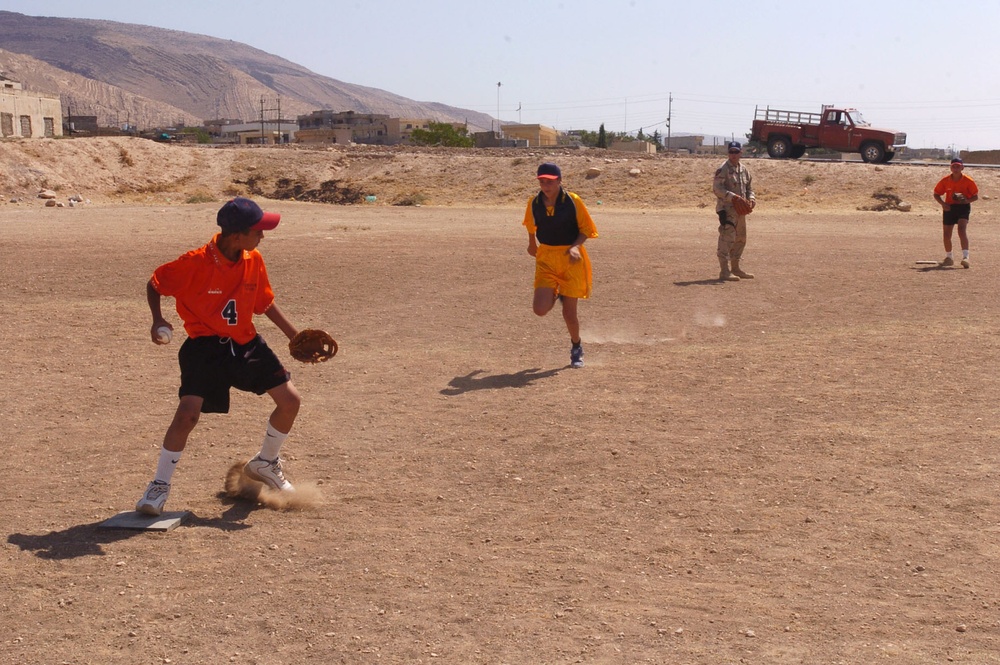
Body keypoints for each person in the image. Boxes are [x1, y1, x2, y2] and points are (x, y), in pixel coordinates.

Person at [135, 197, 303, 516]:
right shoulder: (194, 263)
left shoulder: (253, 259)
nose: (262, 236)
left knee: (290, 401)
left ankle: (265, 463)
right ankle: (158, 486)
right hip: (204, 347)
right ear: (236, 235)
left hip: (245, 344)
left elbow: (263, 303)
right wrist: (157, 319)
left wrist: (293, 334)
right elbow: (155, 284)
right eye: (257, 231)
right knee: (187, 414)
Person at [523, 162, 599, 368]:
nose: (545, 185)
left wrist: (575, 247)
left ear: (559, 181)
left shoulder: (573, 201)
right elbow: (531, 224)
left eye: (550, 181)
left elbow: (586, 229)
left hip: (570, 259)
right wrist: (532, 244)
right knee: (539, 309)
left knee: (569, 313)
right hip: (546, 257)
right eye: (542, 181)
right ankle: (554, 292)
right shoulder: (534, 202)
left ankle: (576, 347)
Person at [713, 141, 756, 281]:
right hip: (727, 210)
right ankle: (724, 271)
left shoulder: (744, 170)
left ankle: (736, 268)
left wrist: (751, 198)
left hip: (740, 211)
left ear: (740, 153)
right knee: (726, 239)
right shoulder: (723, 169)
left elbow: (749, 187)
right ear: (728, 153)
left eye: (736, 152)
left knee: (740, 239)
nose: (733, 155)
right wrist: (733, 197)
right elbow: (717, 189)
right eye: (731, 152)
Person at [933, 157, 979, 268]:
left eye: (958, 166)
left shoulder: (968, 181)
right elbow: (936, 193)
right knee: (946, 234)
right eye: (953, 166)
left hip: (963, 207)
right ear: (950, 167)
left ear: (962, 167)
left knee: (961, 230)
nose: (956, 168)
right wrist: (943, 204)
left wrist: (966, 200)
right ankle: (949, 257)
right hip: (949, 208)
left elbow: (975, 196)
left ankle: (965, 257)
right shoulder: (945, 180)